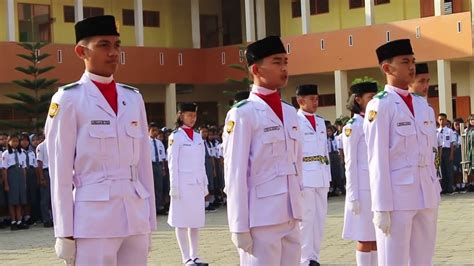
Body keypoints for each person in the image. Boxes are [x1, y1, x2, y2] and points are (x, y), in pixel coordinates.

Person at [44, 15, 156, 266]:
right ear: (81, 51)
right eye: (103, 45)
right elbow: (60, 172)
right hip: (93, 219)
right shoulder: (69, 99)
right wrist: (64, 231)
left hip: (134, 214)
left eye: (117, 45)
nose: (113, 52)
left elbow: (143, 167)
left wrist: (149, 221)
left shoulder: (133, 98)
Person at [222, 36, 303, 266]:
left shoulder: (290, 113)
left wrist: (299, 203)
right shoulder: (243, 113)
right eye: (277, 62)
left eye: (286, 61)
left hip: (290, 214)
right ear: (256, 69)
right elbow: (235, 173)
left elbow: (297, 165)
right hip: (261, 219)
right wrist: (238, 226)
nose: (284, 68)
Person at [364, 39, 441, 265]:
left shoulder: (422, 105)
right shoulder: (380, 105)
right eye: (405, 62)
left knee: (423, 260)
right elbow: (377, 159)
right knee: (394, 260)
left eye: (413, 61)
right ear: (387, 68)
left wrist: (435, 188)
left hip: (426, 193)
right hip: (397, 199)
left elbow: (430, 152)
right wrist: (380, 207)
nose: (411, 67)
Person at [167, 102, 209, 266]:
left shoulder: (198, 137)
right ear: (181, 115)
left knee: (195, 221)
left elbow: (201, 163)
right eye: (189, 115)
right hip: (182, 184)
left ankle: (195, 255)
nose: (193, 118)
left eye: (194, 115)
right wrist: (174, 186)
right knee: (182, 221)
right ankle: (186, 257)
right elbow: (172, 163)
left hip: (197, 184)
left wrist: (205, 184)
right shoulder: (175, 136)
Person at [341, 82, 378, 265]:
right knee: (364, 238)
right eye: (370, 97)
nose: (373, 101)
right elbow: (349, 163)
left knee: (378, 237)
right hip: (362, 190)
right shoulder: (352, 126)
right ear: (358, 99)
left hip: (377, 187)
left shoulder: (373, 121)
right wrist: (353, 196)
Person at [295, 84, 330, 266]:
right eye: (312, 99)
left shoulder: (321, 121)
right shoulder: (295, 121)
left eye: (316, 98)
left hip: (322, 175)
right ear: (301, 101)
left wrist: (328, 176)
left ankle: (314, 256)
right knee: (306, 220)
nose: (316, 102)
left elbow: (324, 150)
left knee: (319, 219)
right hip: (305, 177)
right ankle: (304, 259)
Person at [2, 134, 29, 230]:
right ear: (9, 142)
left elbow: (24, 168)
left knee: (20, 200)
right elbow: (4, 169)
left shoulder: (22, 153)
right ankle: (13, 221)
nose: (15, 143)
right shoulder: (6, 153)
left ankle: (19, 221)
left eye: (17, 141)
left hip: (20, 175)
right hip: (11, 175)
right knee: (12, 200)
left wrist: (24, 182)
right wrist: (6, 183)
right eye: (13, 141)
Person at [19, 133, 39, 226]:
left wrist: (38, 177)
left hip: (32, 174)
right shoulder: (18, 152)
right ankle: (22, 217)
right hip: (22, 174)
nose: (25, 142)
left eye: (27, 140)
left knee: (32, 196)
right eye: (23, 140)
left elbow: (35, 165)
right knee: (24, 197)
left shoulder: (31, 152)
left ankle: (30, 217)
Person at [149, 122, 167, 214]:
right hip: (150, 165)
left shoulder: (159, 143)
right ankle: (152, 208)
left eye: (156, 131)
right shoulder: (146, 142)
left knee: (159, 186)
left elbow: (163, 157)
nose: (155, 132)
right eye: (153, 131)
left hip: (159, 165)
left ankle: (159, 206)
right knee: (151, 187)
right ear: (149, 131)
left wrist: (163, 168)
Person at [35, 137, 53, 228]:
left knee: (54, 198)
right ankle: (46, 219)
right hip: (45, 172)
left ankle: (54, 218)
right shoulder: (41, 146)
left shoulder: (56, 143)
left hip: (55, 172)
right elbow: (39, 163)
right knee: (45, 198)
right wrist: (41, 177)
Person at [437, 113, 455, 194]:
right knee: (441, 170)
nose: (442, 121)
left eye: (443, 119)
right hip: (439, 151)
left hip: (447, 151)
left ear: (446, 120)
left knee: (449, 171)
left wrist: (451, 154)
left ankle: (449, 188)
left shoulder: (450, 131)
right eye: (440, 119)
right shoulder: (436, 131)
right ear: (438, 120)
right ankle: (443, 188)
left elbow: (452, 144)